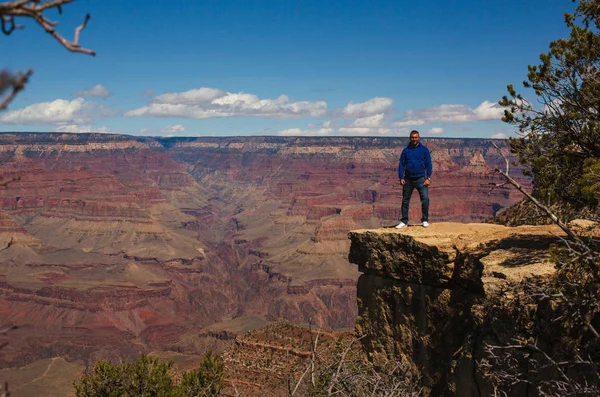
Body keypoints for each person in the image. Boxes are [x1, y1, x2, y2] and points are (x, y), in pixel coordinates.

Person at [395, 130, 432, 228]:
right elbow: (401, 165)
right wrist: (401, 177)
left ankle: (425, 220)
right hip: (408, 179)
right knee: (405, 200)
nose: (414, 139)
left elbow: (429, 164)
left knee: (425, 199)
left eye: (416, 137)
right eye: (412, 137)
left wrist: (428, 178)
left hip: (421, 179)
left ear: (419, 138)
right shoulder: (406, 150)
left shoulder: (424, 150)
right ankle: (404, 221)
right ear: (409, 138)